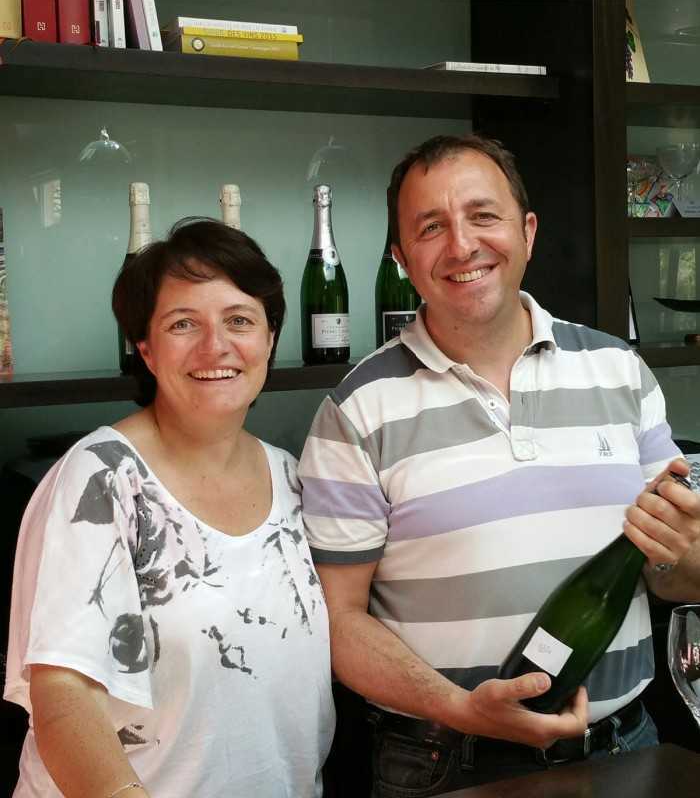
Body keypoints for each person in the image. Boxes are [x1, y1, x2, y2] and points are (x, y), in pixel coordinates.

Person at [298, 135, 700, 796]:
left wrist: (689, 550)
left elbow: (675, 574)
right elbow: (338, 623)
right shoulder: (356, 411)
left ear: (528, 231)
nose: (461, 246)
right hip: (442, 767)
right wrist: (460, 709)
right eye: (431, 228)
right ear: (401, 257)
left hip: (624, 750)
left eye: (484, 217)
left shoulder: (619, 372)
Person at [4, 219, 335, 798]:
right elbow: (62, 697)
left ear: (270, 338)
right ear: (146, 348)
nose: (216, 346)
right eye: (184, 324)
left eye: (239, 320)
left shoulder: (291, 474)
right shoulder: (102, 478)